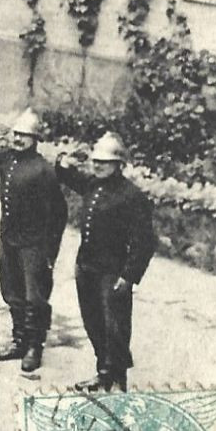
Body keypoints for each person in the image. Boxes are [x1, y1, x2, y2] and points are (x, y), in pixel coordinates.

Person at [0, 108, 68, 374]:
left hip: (34, 241)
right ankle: (19, 339)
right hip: (9, 237)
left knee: (35, 296)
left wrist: (49, 250)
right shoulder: (7, 160)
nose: (19, 139)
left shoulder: (44, 169)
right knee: (11, 290)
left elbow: (58, 212)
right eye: (17, 134)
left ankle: (35, 345)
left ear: (35, 139)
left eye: (25, 135)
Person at [56, 132, 156, 392]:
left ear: (119, 164)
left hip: (112, 271)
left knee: (116, 327)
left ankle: (118, 381)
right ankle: (103, 373)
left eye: (105, 161)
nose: (98, 165)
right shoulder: (92, 184)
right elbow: (65, 173)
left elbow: (145, 241)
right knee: (93, 322)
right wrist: (67, 158)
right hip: (87, 266)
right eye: (95, 161)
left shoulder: (131, 196)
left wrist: (129, 275)